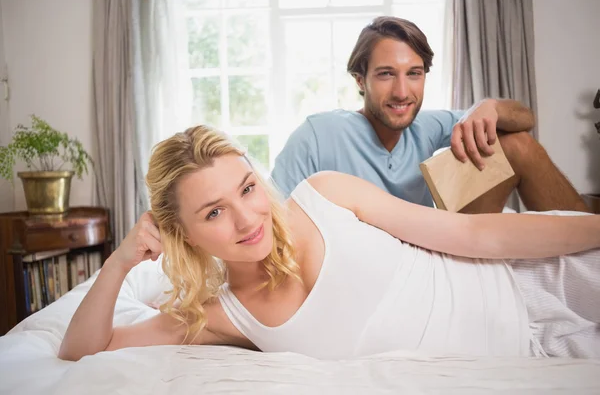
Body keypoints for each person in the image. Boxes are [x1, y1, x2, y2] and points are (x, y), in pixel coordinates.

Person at [58, 125, 600, 362]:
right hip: (534, 355)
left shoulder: (324, 196)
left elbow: (472, 232)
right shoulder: (223, 316)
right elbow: (82, 349)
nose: (248, 218)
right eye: (215, 212)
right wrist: (123, 259)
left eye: (246, 188)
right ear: (182, 233)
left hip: (535, 278)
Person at [271, 16, 590, 214]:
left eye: (414, 73)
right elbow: (275, 217)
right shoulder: (316, 135)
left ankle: (589, 244)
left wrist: (487, 106)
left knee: (517, 144)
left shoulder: (427, 125)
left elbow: (524, 119)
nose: (401, 92)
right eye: (385, 74)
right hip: (359, 264)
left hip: (427, 253)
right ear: (360, 79)